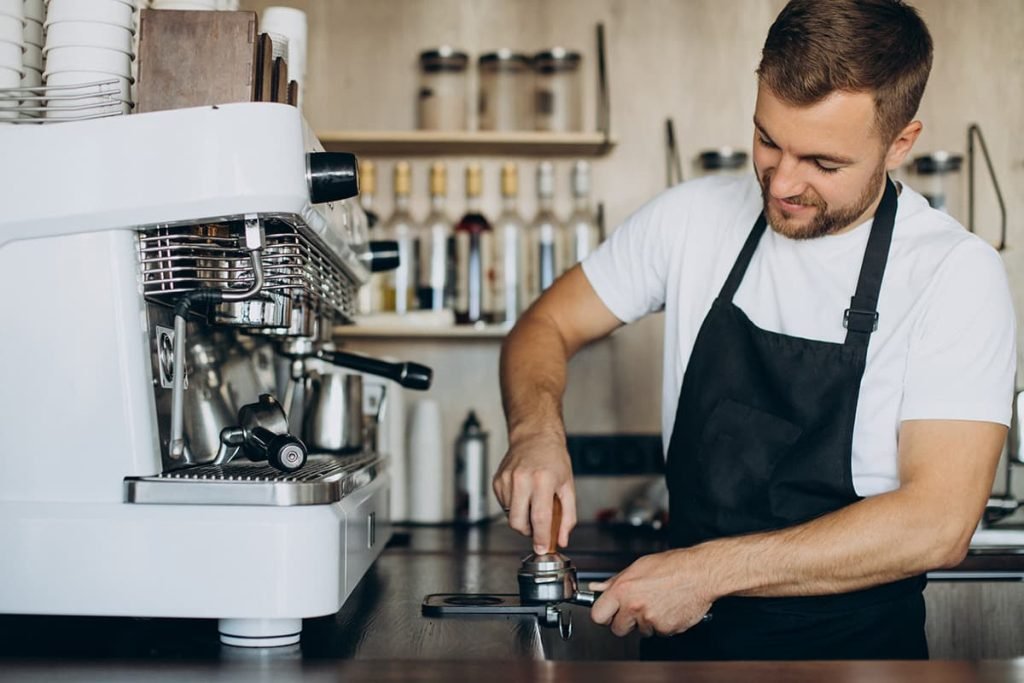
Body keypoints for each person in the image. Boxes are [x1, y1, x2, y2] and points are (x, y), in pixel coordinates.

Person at [492, 0, 1016, 661]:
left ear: (900, 143)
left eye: (824, 163)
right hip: (683, 656)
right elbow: (546, 324)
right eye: (768, 140)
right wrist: (534, 431)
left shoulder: (953, 272)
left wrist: (708, 572)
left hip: (860, 662)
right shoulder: (692, 219)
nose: (783, 183)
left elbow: (937, 522)